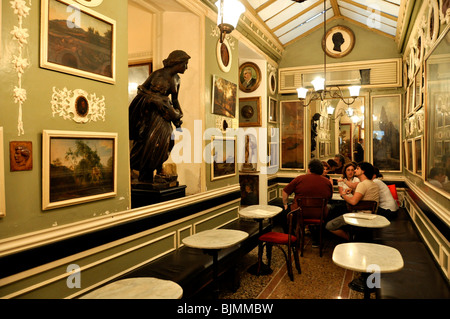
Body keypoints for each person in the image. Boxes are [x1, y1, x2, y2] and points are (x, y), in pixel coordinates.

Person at [129, 50, 190, 183]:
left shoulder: (177, 79)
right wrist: (154, 99)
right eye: (185, 64)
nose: (186, 67)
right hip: (151, 115)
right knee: (151, 143)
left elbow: (174, 100)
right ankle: (146, 175)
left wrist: (179, 115)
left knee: (167, 141)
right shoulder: (158, 74)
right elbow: (141, 90)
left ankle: (157, 169)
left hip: (164, 115)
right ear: (177, 62)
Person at [281, 159, 333, 245]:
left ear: (309, 169)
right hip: (319, 214)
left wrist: (285, 204)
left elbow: (285, 191)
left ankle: (292, 238)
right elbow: (329, 197)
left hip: (299, 213)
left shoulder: (300, 178)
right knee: (331, 209)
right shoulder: (327, 182)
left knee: (283, 214)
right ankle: (317, 239)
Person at [325, 162, 379, 240]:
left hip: (360, 216)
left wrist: (343, 195)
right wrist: (353, 192)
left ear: (363, 171)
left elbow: (353, 202)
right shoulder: (373, 184)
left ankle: (351, 239)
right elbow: (366, 199)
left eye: (357, 169)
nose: (354, 171)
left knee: (329, 225)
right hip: (371, 216)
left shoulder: (362, 184)